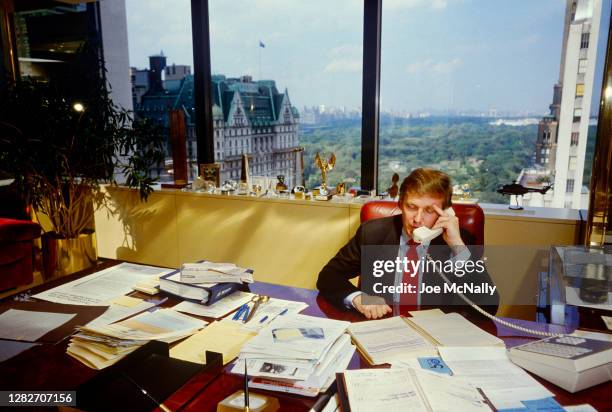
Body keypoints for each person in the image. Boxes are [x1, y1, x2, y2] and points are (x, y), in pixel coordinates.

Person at [316, 168, 499, 319]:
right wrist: (358, 297)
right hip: (380, 331)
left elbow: (488, 307)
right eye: (412, 207)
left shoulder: (459, 241)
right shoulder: (372, 233)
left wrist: (457, 248)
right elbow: (328, 276)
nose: (417, 219)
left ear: (445, 212)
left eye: (429, 210)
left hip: (434, 338)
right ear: (401, 203)